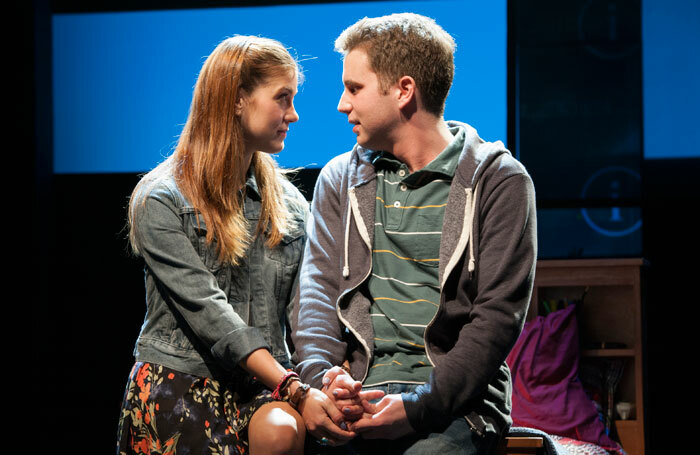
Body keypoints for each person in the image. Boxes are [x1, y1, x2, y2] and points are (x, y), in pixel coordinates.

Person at [291, 13, 537, 454]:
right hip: (359, 395)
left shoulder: (498, 181)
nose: (341, 105)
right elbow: (317, 295)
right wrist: (323, 378)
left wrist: (418, 405)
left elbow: (497, 319)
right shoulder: (339, 180)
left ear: (404, 91)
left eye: (354, 88)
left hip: (456, 407)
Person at [116, 35, 357, 455]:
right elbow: (210, 313)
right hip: (181, 383)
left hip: (266, 388)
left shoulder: (290, 206)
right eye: (282, 98)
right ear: (237, 99)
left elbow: (310, 309)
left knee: (282, 431)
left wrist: (327, 377)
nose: (294, 115)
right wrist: (293, 387)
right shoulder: (161, 198)